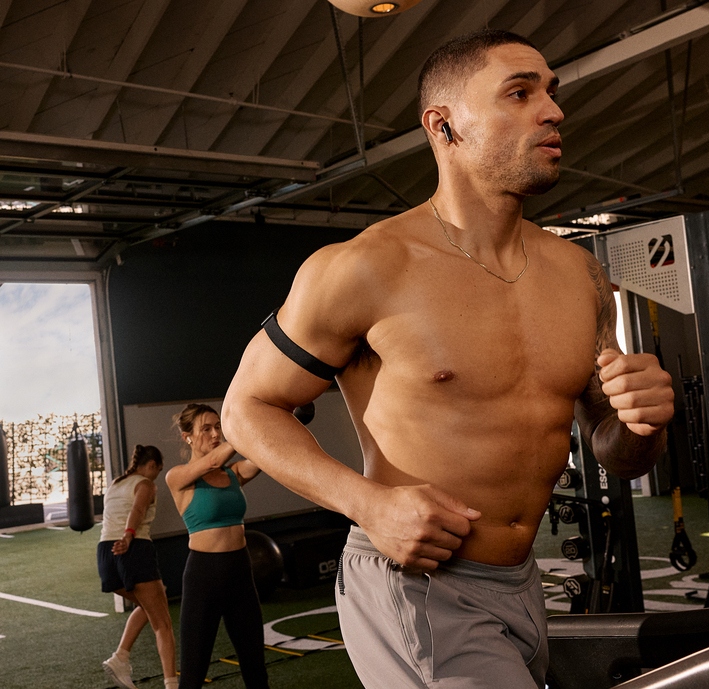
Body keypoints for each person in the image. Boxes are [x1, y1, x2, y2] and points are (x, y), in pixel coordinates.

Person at [221, 29, 675, 689]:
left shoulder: (579, 275)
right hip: (416, 583)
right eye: (519, 93)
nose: (553, 110)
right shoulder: (365, 267)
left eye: (551, 92)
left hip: (524, 581)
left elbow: (616, 451)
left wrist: (644, 422)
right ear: (444, 126)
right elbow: (246, 408)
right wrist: (368, 505)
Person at [165, 403, 269, 689]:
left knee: (256, 669)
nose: (215, 434)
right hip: (204, 577)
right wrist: (238, 435)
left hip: (240, 573)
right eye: (206, 429)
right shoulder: (178, 477)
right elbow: (211, 462)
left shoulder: (233, 473)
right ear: (187, 437)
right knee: (193, 674)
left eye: (218, 427)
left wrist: (287, 421)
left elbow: (263, 456)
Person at [98, 444, 178, 689]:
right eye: (158, 471)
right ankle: (172, 684)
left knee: (150, 603)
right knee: (162, 623)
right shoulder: (145, 484)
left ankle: (121, 657)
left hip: (105, 554)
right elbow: (138, 509)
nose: (156, 477)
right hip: (132, 549)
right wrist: (128, 536)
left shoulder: (116, 484)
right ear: (152, 465)